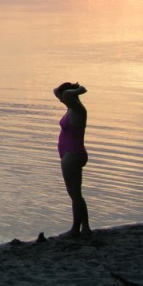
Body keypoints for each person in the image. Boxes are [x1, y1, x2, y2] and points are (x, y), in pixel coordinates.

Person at [54, 82, 92, 237]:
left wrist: (78, 90)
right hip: (70, 154)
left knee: (75, 194)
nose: (61, 100)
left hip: (73, 154)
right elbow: (56, 91)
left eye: (63, 98)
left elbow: (66, 94)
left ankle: (76, 229)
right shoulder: (70, 108)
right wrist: (70, 90)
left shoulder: (79, 109)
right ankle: (86, 229)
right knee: (76, 194)